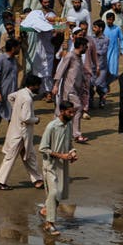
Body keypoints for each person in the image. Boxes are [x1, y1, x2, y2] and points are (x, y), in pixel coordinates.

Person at [0, 74, 43, 191]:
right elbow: (26, 118)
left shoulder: (21, 92)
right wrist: (36, 119)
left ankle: (38, 180)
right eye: (38, 85)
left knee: (30, 156)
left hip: (18, 131)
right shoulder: (28, 98)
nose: (39, 87)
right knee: (11, 157)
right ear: (33, 85)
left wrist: (16, 109)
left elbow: (10, 97)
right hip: (21, 134)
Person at [39, 101, 78, 236]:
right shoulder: (52, 127)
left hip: (63, 166)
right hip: (50, 166)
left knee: (58, 194)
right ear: (61, 111)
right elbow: (42, 148)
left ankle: (45, 209)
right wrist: (61, 155)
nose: (72, 115)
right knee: (54, 192)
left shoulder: (68, 125)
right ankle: (50, 224)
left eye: (73, 112)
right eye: (69, 112)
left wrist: (72, 153)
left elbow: (69, 143)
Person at [52, 37, 88, 143]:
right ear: (81, 46)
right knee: (77, 108)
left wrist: (85, 84)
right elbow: (61, 71)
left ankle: (55, 129)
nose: (86, 48)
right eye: (85, 46)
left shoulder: (79, 58)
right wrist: (56, 86)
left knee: (61, 110)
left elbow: (79, 72)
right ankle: (76, 134)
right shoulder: (70, 56)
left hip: (77, 89)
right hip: (69, 89)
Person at [0, 38, 20, 146]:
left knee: (12, 117)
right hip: (0, 94)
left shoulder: (14, 60)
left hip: (11, 95)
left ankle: (12, 137)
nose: (19, 49)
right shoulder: (0, 60)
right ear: (13, 48)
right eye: (18, 47)